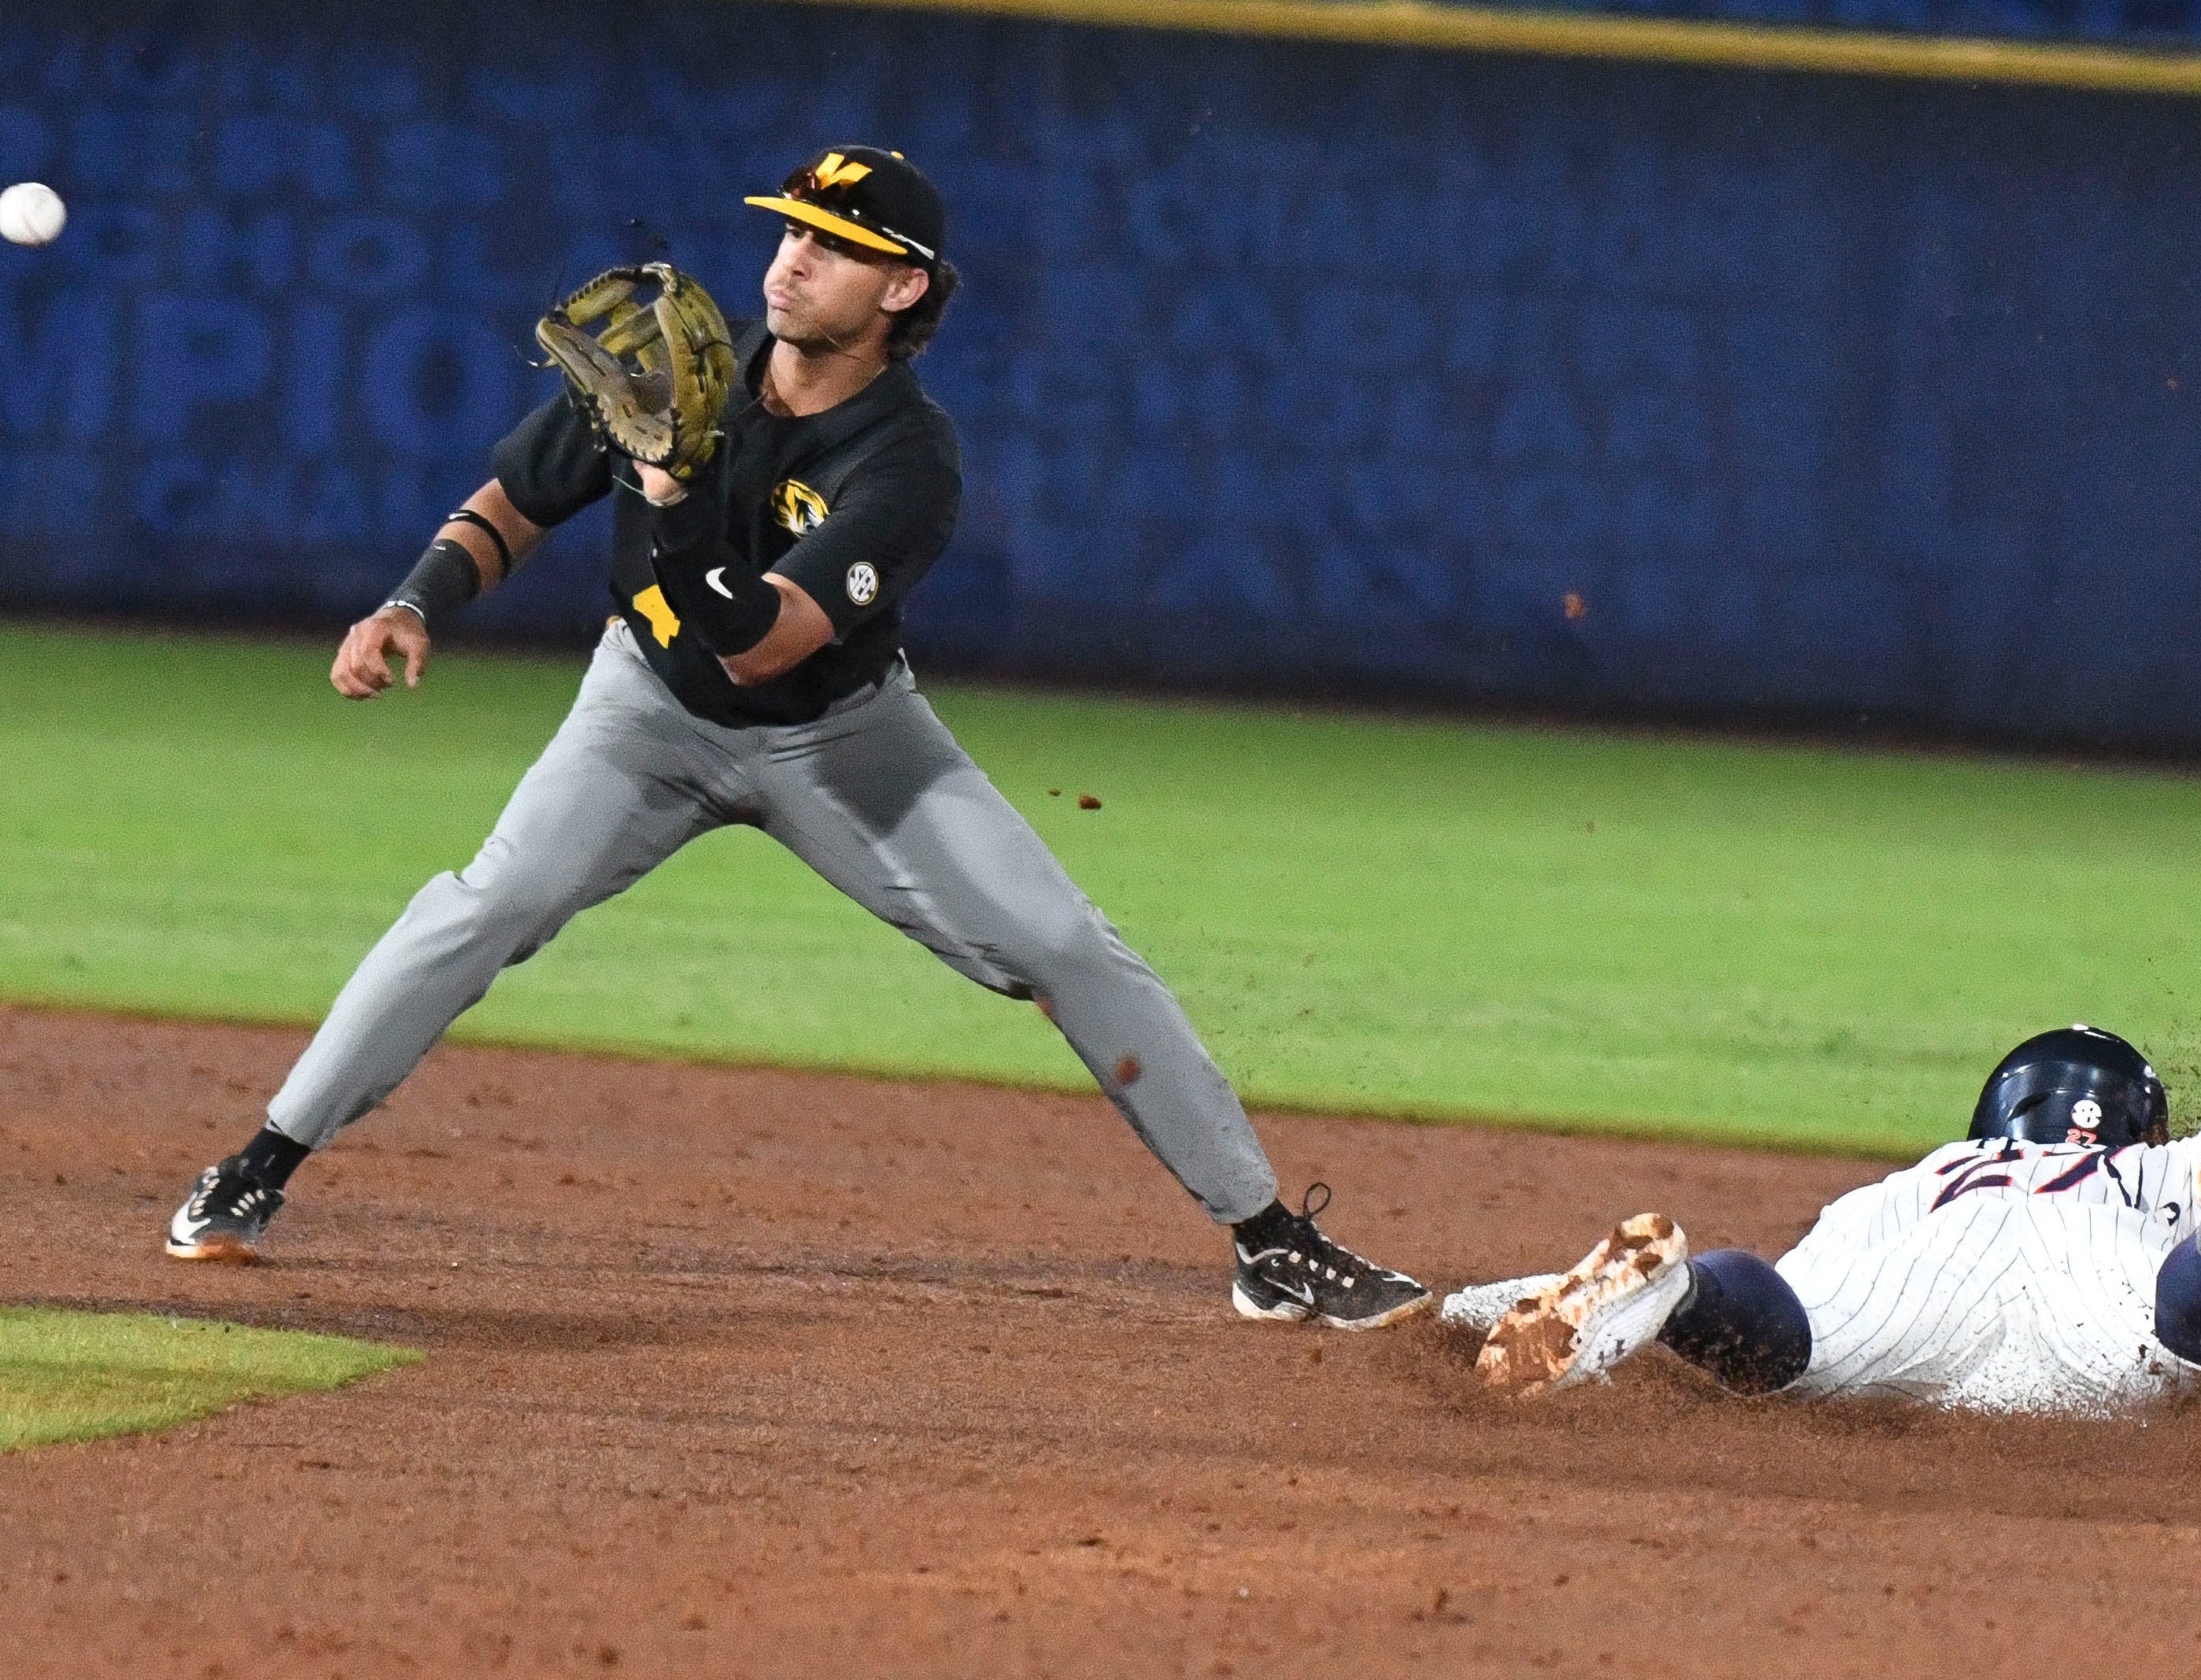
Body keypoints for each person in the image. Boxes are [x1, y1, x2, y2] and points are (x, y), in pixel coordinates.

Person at [162, 146, 1430, 1331]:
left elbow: (764, 643)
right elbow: (515, 498)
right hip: (641, 717)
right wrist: (412, 600)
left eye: (829, 244)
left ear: (902, 287)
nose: (787, 261)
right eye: (787, 233)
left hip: (842, 738)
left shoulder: (907, 459)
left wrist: (668, 501)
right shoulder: (682, 366)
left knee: (1060, 943)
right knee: (484, 902)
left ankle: (1267, 1240)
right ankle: (258, 1160)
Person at [1446, 1026, 2201, 1413]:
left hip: (1922, 1285)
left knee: (1785, 1342)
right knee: (2178, 1337)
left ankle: (1678, 1290)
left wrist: (1471, 1305)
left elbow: (1793, 1302)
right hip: (2099, 1293)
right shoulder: (2158, 1162)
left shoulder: (1918, 1178)